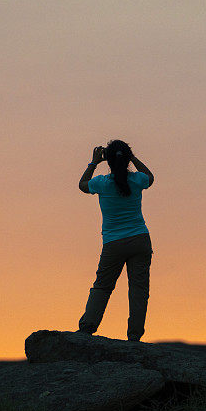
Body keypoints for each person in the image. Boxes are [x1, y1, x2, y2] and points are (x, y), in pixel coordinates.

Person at [77, 139, 154, 341]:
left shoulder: (101, 183)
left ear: (108, 160)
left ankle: (87, 327)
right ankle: (134, 335)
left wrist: (93, 163)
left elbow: (82, 185)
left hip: (113, 243)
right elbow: (150, 177)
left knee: (102, 286)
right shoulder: (137, 180)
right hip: (140, 239)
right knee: (139, 289)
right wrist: (133, 157)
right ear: (127, 158)